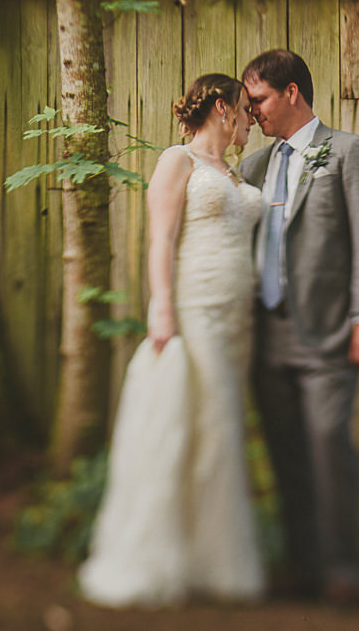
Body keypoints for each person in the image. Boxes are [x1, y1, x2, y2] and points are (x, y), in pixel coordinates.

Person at [78, 73, 266, 608]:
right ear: (225, 110)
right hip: (195, 310)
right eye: (246, 110)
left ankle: (211, 560)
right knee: (199, 426)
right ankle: (166, 556)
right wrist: (161, 306)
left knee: (221, 433)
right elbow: (159, 238)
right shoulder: (176, 161)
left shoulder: (234, 171)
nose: (251, 120)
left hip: (239, 320)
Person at [240, 48, 359, 605]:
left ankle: (345, 568)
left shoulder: (349, 153)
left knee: (329, 445)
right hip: (265, 334)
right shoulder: (253, 167)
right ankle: (303, 568)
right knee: (286, 453)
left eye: (258, 100)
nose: (252, 112)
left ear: (292, 93)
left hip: (327, 333)